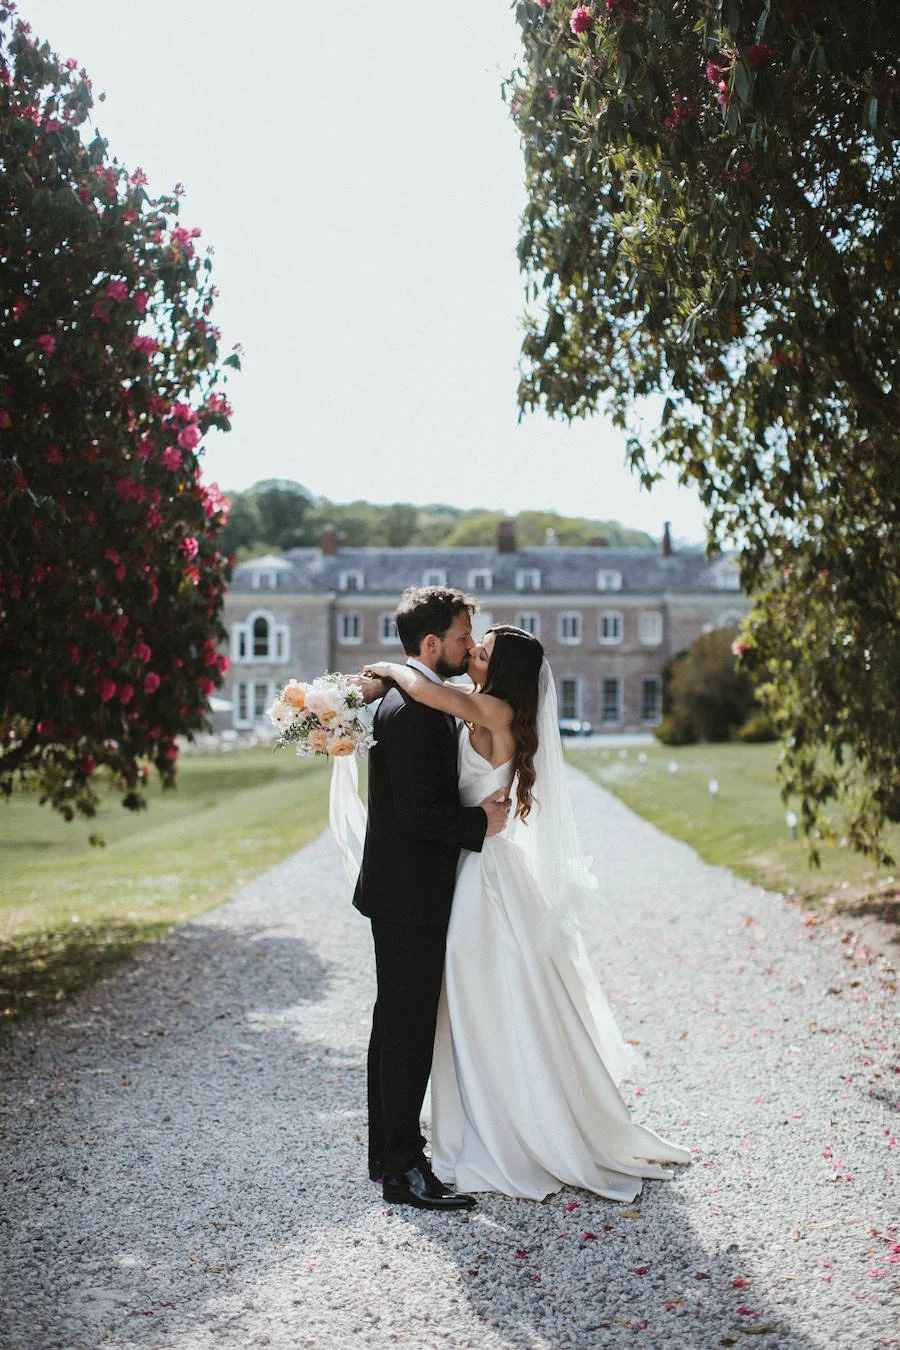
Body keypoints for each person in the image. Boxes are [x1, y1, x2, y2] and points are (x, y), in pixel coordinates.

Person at [362, 623, 691, 1202]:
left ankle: (499, 1124)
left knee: (476, 1001)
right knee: (480, 1001)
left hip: (481, 875)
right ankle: (476, 1119)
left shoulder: (492, 709)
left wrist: (392, 670)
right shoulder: (492, 710)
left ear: (502, 670)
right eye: (474, 643)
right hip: (476, 861)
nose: (474, 653)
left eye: (482, 651)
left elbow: (435, 694)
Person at [352, 587, 511, 1213]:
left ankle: (384, 1155)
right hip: (410, 890)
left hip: (398, 886)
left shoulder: (413, 695)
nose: (470, 644)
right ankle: (403, 1169)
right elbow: (420, 815)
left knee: (392, 1024)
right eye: (463, 634)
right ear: (430, 644)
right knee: (408, 1032)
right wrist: (479, 827)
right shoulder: (415, 710)